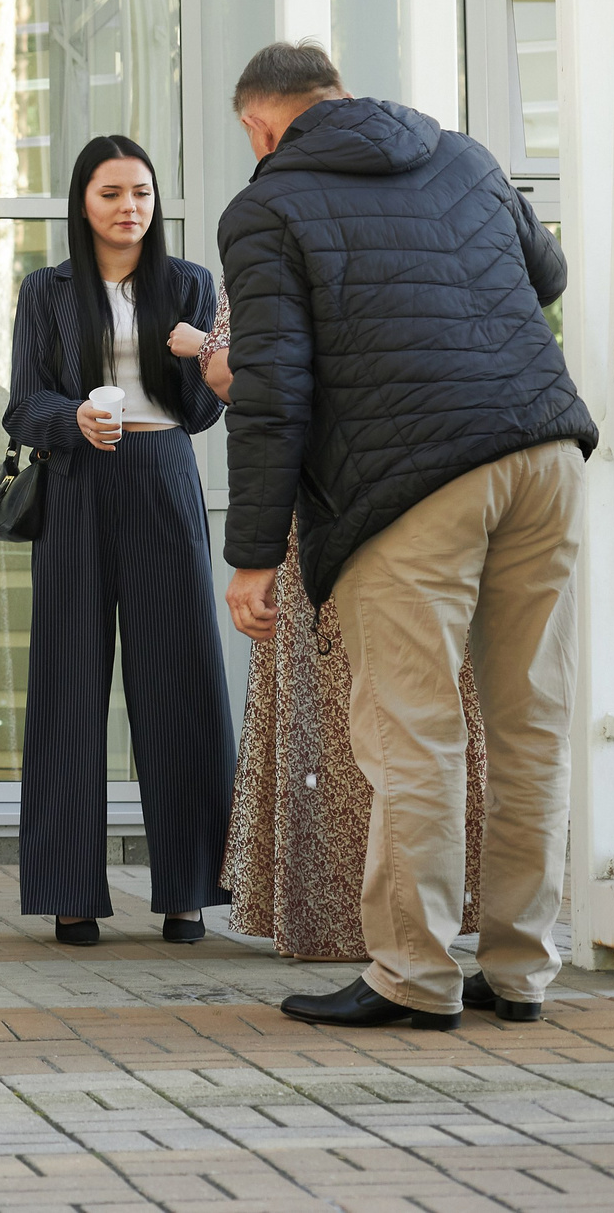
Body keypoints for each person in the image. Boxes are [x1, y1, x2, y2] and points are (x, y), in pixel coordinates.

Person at [218, 42, 595, 1030]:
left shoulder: (267, 206)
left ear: (260, 125)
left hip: (409, 480)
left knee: (413, 732)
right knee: (531, 726)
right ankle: (519, 969)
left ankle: (413, 976)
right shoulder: (463, 156)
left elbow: (271, 389)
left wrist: (252, 554)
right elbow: (547, 274)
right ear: (339, 92)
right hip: (544, 452)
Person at [173, 295, 489, 960]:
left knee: (334, 706)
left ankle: (348, 918)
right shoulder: (411, 254)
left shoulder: (274, 254)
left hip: (333, 497)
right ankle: (417, 913)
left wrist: (206, 348)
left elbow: (230, 375)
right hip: (407, 487)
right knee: (406, 700)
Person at [3, 137, 234, 946]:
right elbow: (22, 405)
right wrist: (72, 417)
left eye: (141, 192)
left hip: (163, 474)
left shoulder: (191, 284)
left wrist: (199, 352)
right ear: (83, 202)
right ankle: (69, 889)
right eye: (111, 193)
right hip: (75, 482)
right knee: (66, 681)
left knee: (181, 677)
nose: (129, 206)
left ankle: (188, 890)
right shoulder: (47, 290)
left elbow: (205, 410)